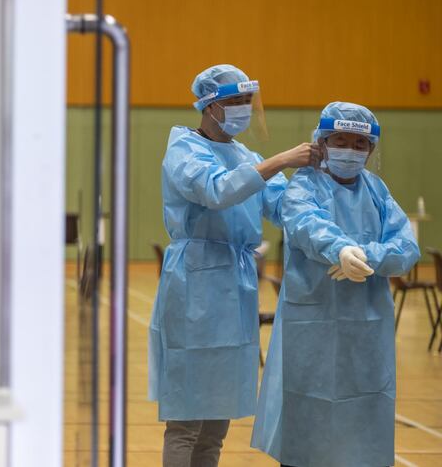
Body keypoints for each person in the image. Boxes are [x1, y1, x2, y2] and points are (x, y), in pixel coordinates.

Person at [148, 64, 321, 467]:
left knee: (215, 425)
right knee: (187, 420)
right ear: (209, 106)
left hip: (236, 287)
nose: (243, 108)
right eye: (234, 101)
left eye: (248, 100)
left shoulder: (246, 156)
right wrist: (280, 160)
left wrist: (323, 186)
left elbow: (282, 206)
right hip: (194, 284)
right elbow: (215, 190)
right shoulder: (184, 149)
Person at [251, 102, 420, 467]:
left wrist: (367, 258)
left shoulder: (376, 190)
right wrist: (339, 249)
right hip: (311, 326)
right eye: (341, 141)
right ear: (322, 143)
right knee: (306, 425)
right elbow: (306, 223)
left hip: (366, 328)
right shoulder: (304, 186)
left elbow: (406, 246)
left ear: (371, 150)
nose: (351, 150)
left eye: (360, 144)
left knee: (362, 422)